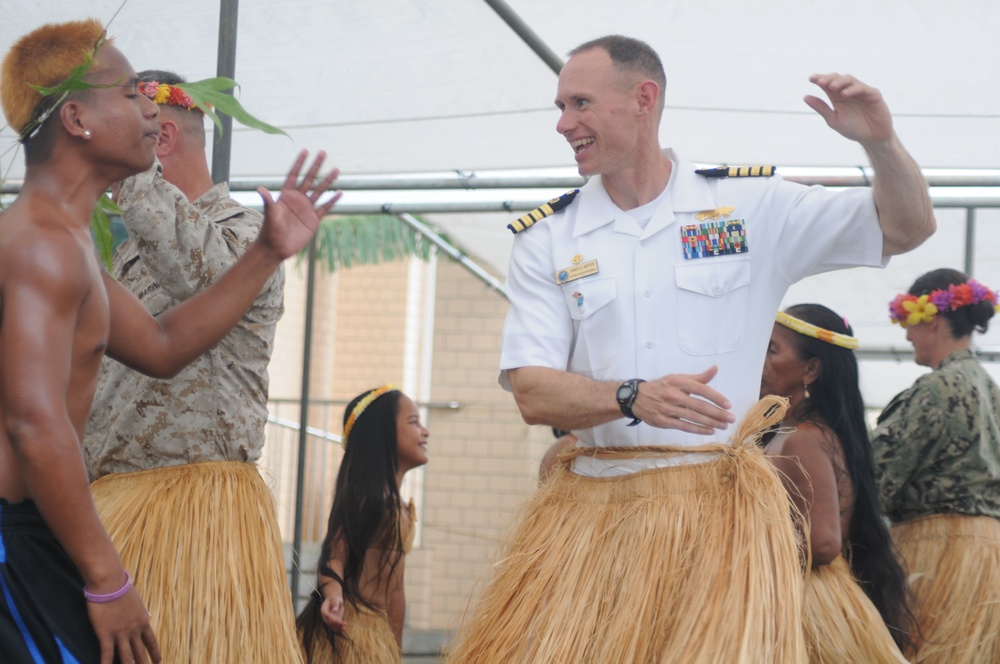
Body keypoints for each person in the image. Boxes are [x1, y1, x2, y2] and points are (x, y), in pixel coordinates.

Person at [446, 34, 935, 663]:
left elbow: (907, 226)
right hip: (590, 519)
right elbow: (533, 390)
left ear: (643, 99)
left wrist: (880, 143)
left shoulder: (750, 205)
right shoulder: (548, 236)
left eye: (580, 103)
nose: (564, 123)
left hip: (717, 519)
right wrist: (630, 396)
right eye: (561, 106)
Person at [0, 19, 339, 664]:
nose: (149, 114)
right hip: (12, 534)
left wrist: (265, 250)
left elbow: (160, 344)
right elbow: (33, 424)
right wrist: (109, 580)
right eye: (131, 96)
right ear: (77, 119)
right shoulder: (42, 243)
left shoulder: (68, 243)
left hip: (36, 532)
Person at [81, 69, 296, 663]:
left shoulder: (247, 234)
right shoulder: (127, 252)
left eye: (116, 125)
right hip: (117, 516)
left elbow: (200, 276)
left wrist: (132, 171)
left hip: (198, 526)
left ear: (162, 136)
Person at [761, 304, 915, 662]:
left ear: (811, 369)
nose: (760, 360)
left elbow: (824, 542)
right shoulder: (788, 431)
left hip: (803, 604)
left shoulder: (804, 438)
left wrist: (746, 554)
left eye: (771, 350)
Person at [872, 268, 1000, 663]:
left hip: (938, 553)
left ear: (932, 320)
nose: (907, 334)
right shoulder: (991, 389)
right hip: (988, 557)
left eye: (909, 322)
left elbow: (876, 479)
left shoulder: (935, 389)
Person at [296, 385, 429, 663]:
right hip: (350, 634)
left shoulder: (403, 510)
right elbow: (334, 555)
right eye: (414, 422)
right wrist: (333, 595)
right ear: (382, 436)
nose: (425, 431)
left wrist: (395, 650)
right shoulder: (366, 497)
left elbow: (396, 589)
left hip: (378, 636)